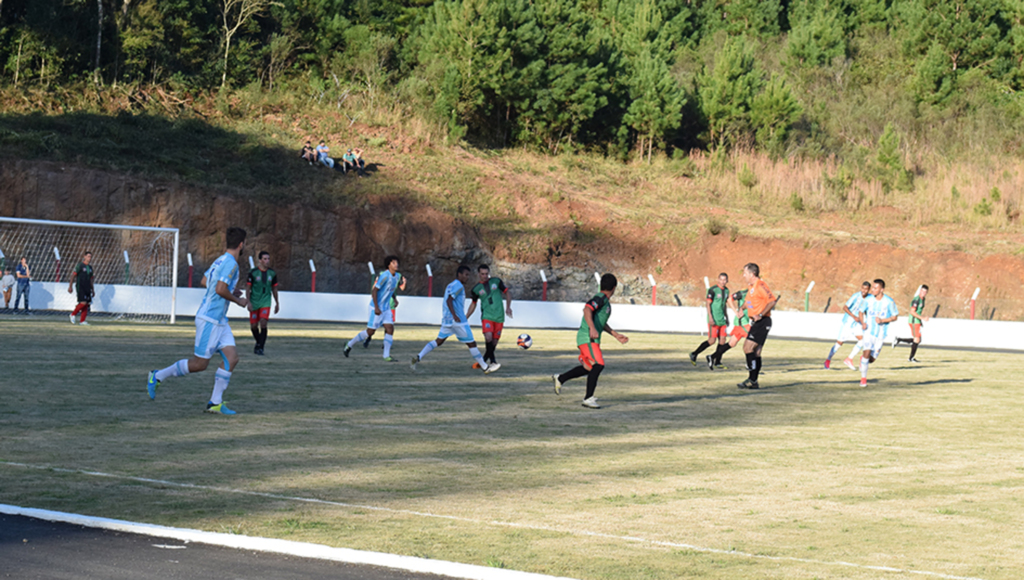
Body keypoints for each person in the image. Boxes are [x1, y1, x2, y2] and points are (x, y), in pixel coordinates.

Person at [147, 228, 249, 415]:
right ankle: (158, 375)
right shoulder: (231, 264)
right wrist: (239, 300)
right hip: (210, 319)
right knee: (200, 365)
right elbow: (219, 289)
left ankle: (215, 403)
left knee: (232, 358)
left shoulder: (220, 260)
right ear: (241, 244)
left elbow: (204, 281)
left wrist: (229, 290)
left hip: (220, 320)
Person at [551, 273, 629, 409]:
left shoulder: (604, 300)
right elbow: (587, 309)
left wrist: (615, 335)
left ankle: (561, 378)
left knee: (589, 368)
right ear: (615, 288)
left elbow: (600, 322)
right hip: (588, 337)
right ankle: (588, 398)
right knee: (599, 365)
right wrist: (592, 328)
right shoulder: (601, 298)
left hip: (588, 337)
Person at [410, 265, 500, 374]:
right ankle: (485, 367)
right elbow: (449, 300)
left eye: (468, 275)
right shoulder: (459, 286)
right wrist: (455, 315)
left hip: (447, 321)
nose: (467, 277)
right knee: (472, 344)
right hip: (458, 322)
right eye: (466, 275)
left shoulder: (450, 285)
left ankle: (419, 356)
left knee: (438, 341)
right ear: (459, 275)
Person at [344, 256, 402, 361]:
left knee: (390, 328)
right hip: (375, 307)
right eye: (393, 263)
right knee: (370, 332)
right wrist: (376, 307)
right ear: (388, 265)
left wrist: (395, 299)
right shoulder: (384, 276)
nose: (396, 264)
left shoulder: (397, 276)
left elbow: (391, 289)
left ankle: (386, 356)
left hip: (386, 308)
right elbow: (374, 291)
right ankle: (349, 344)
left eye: (397, 262)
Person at [851, 279, 899, 387]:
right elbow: (860, 311)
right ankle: (863, 379)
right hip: (868, 331)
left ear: (882, 289)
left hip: (881, 334)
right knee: (867, 353)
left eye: (875, 288)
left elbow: (895, 317)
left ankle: (863, 359)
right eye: (872, 287)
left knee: (871, 360)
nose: (872, 290)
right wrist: (863, 322)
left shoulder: (889, 302)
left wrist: (882, 320)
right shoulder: (868, 300)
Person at [737, 263, 777, 390]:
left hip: (763, 321)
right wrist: (742, 308)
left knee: (747, 348)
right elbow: (749, 301)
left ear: (752, 274)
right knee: (756, 352)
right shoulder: (751, 287)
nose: (744, 275)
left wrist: (760, 314)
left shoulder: (761, 285)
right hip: (757, 322)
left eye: (745, 273)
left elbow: (772, 301)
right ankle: (754, 382)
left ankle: (752, 379)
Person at [466, 264, 513, 367]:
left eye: (486, 274)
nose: (485, 276)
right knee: (488, 337)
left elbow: (507, 292)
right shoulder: (476, 289)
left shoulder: (496, 281)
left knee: (494, 342)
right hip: (487, 316)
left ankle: (484, 361)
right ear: (479, 274)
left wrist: (508, 307)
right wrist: (466, 317)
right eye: (482, 274)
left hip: (499, 316)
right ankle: (492, 361)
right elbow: (473, 304)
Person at [824, 281, 871, 370]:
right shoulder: (855, 296)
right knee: (839, 343)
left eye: (866, 289)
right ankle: (828, 360)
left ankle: (849, 359)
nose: (864, 290)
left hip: (857, 323)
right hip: (848, 322)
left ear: (869, 290)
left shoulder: (870, 298)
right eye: (863, 288)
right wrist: (853, 316)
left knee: (863, 340)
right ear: (861, 288)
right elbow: (845, 307)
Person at [689, 273, 729, 368]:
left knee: (722, 341)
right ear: (718, 280)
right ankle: (694, 353)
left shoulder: (727, 290)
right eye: (721, 279)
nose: (723, 281)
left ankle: (718, 361)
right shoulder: (713, 290)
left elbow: (724, 305)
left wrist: (726, 316)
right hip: (714, 319)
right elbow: (708, 304)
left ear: (727, 281)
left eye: (725, 280)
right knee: (712, 341)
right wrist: (710, 317)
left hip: (722, 319)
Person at [246, 251, 280, 355]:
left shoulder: (272, 273)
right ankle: (258, 343)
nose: (267, 261)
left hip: (266, 301)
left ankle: (261, 347)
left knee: (263, 322)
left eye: (268, 259)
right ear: (260, 260)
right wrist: (248, 302)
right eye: (265, 259)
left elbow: (274, 289)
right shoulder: (253, 272)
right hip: (255, 301)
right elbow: (248, 288)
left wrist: (277, 303)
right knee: (254, 326)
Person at [708, 288, 750, 369]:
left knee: (732, 343)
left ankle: (712, 356)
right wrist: (736, 312)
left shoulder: (755, 294)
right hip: (743, 322)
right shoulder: (743, 293)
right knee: (753, 342)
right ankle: (750, 364)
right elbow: (730, 299)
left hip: (742, 322)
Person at [893, 285, 928, 362]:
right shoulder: (916, 300)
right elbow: (912, 311)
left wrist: (920, 321)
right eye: (922, 291)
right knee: (917, 339)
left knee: (918, 340)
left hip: (917, 321)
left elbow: (918, 311)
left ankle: (899, 340)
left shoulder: (923, 299)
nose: (923, 293)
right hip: (913, 321)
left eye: (925, 292)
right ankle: (911, 358)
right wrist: (922, 318)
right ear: (920, 291)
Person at [67, 251, 95, 325]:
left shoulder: (90, 267)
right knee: (83, 302)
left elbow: (91, 279)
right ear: (84, 257)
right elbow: (73, 275)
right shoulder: (80, 265)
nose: (89, 258)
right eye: (88, 256)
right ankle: (73, 314)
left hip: (87, 287)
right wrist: (70, 286)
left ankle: (82, 321)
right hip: (80, 287)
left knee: (86, 304)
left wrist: (93, 289)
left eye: (90, 256)